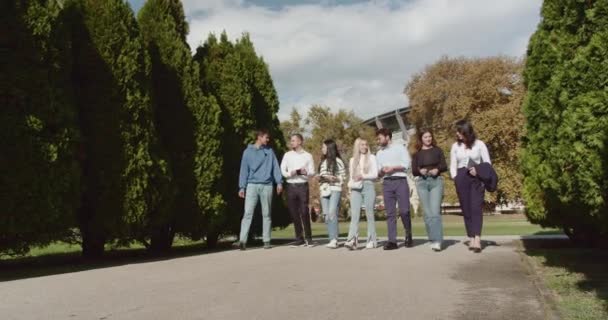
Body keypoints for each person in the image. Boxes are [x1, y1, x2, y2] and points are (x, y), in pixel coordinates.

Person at [237, 129, 283, 250]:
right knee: (247, 213)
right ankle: (242, 240)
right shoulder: (247, 152)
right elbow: (244, 170)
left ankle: (267, 240)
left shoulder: (270, 152)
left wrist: (279, 182)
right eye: (266, 138)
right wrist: (242, 187)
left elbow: (275, 167)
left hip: (267, 185)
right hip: (252, 185)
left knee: (266, 214)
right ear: (259, 137)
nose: (268, 140)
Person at [450, 120, 491, 253]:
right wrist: (455, 177)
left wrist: (478, 172)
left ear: (466, 131)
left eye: (459, 131)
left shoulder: (480, 144)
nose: (457, 134)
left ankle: (477, 239)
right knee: (466, 209)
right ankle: (471, 237)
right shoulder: (455, 146)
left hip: (476, 178)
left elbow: (487, 163)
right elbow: (453, 164)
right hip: (461, 177)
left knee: (476, 207)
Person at [376, 128, 413, 250]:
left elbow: (407, 164)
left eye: (380, 138)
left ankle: (408, 233)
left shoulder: (400, 148)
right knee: (390, 213)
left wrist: (393, 168)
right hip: (387, 183)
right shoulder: (379, 153)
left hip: (400, 181)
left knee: (405, 211)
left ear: (387, 137)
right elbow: (378, 173)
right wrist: (381, 171)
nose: (378, 141)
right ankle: (392, 241)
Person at [412, 129, 447, 252]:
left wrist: (437, 169)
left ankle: (437, 240)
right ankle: (432, 239)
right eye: (426, 137)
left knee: (435, 212)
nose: (428, 139)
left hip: (436, 182)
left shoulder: (437, 150)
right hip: (421, 183)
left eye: (430, 137)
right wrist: (420, 171)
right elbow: (414, 170)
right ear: (421, 138)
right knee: (427, 214)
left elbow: (444, 165)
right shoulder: (417, 154)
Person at [280, 133, 315, 247]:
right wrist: (291, 173)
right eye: (291, 141)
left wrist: (306, 172)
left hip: (303, 186)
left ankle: (309, 238)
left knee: (304, 212)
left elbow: (312, 172)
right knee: (294, 213)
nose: (292, 142)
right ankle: (299, 239)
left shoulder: (308, 156)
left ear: (300, 141)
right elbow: (283, 170)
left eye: (294, 140)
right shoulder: (287, 155)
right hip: (290, 186)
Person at [344, 138, 379, 250]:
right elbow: (351, 176)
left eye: (366, 144)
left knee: (369, 214)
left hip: (368, 186)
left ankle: (371, 240)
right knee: (355, 215)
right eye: (362, 145)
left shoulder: (372, 158)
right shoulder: (352, 160)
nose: (364, 147)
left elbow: (375, 174)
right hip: (355, 188)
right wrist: (350, 191)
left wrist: (363, 176)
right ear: (357, 147)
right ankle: (352, 240)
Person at [317, 139, 346, 249]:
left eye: (323, 147)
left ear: (329, 148)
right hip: (324, 189)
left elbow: (343, 177)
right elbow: (321, 176)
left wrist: (334, 178)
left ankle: (334, 239)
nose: (322, 149)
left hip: (335, 189)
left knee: (332, 212)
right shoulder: (322, 162)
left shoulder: (338, 161)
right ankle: (331, 238)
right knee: (326, 215)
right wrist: (320, 178)